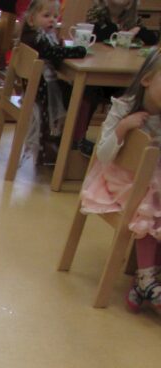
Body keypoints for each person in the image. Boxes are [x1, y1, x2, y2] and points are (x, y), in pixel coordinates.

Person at [80, 48, 161, 314]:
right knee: (150, 207)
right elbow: (102, 154)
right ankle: (147, 276)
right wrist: (123, 128)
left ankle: (145, 280)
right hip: (117, 181)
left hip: (151, 181)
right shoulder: (123, 108)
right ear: (147, 80)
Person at [20, 0, 86, 164]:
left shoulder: (43, 37)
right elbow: (51, 52)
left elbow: (54, 59)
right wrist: (78, 50)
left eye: (55, 16)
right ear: (31, 19)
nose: (52, 20)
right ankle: (65, 144)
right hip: (38, 91)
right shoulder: (34, 38)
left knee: (75, 93)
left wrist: (60, 45)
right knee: (78, 95)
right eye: (46, 15)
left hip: (39, 86)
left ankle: (65, 141)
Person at [86, 0, 158, 44]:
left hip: (124, 58)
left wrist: (138, 30)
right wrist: (116, 29)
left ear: (130, 3)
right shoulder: (96, 13)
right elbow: (92, 37)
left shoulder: (132, 17)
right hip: (100, 57)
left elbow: (153, 39)